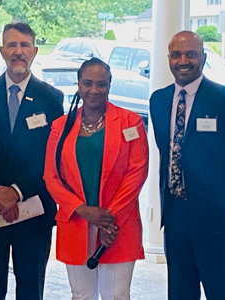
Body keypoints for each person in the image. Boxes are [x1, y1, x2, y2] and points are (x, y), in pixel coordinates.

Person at [150, 31, 225, 300]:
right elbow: (168, 151)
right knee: (179, 291)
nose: (183, 60)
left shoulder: (224, 98)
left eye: (190, 53)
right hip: (176, 214)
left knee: (219, 290)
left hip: (216, 217)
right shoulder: (159, 100)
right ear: (169, 58)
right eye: (176, 54)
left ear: (203, 57)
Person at [0, 23, 64, 300]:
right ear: (1, 51)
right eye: (11, 45)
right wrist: (1, 195)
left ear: (34, 51)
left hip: (34, 207)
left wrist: (17, 192)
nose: (18, 52)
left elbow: (50, 155)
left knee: (31, 286)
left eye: (23, 46)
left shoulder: (52, 98)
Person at [44, 58, 148, 300]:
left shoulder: (129, 122)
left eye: (101, 84)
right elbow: (51, 176)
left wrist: (106, 219)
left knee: (117, 295)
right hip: (77, 221)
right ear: (78, 85)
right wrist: (81, 209)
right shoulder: (61, 126)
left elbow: (137, 173)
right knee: (81, 295)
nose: (94, 90)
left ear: (109, 85)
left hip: (117, 224)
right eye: (87, 83)